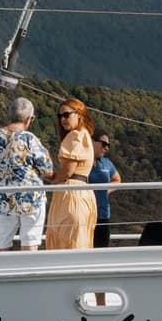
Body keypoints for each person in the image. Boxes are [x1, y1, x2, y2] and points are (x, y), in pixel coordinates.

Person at [0, 97, 54, 251]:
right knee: (30, 244)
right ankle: (28, 274)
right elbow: (48, 170)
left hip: (2, 199)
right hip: (30, 199)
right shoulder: (30, 139)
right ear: (28, 119)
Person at [45, 98, 97, 250]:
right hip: (84, 193)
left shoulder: (75, 136)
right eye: (60, 116)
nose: (63, 119)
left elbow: (68, 171)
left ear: (79, 114)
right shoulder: (85, 135)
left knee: (65, 239)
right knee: (79, 240)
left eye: (67, 115)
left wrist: (53, 180)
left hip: (70, 195)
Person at [88, 129, 122, 248]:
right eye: (104, 144)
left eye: (108, 145)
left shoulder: (107, 163)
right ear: (92, 142)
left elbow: (117, 180)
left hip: (103, 214)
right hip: (85, 214)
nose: (106, 148)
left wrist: (104, 191)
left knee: (101, 250)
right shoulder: (82, 162)